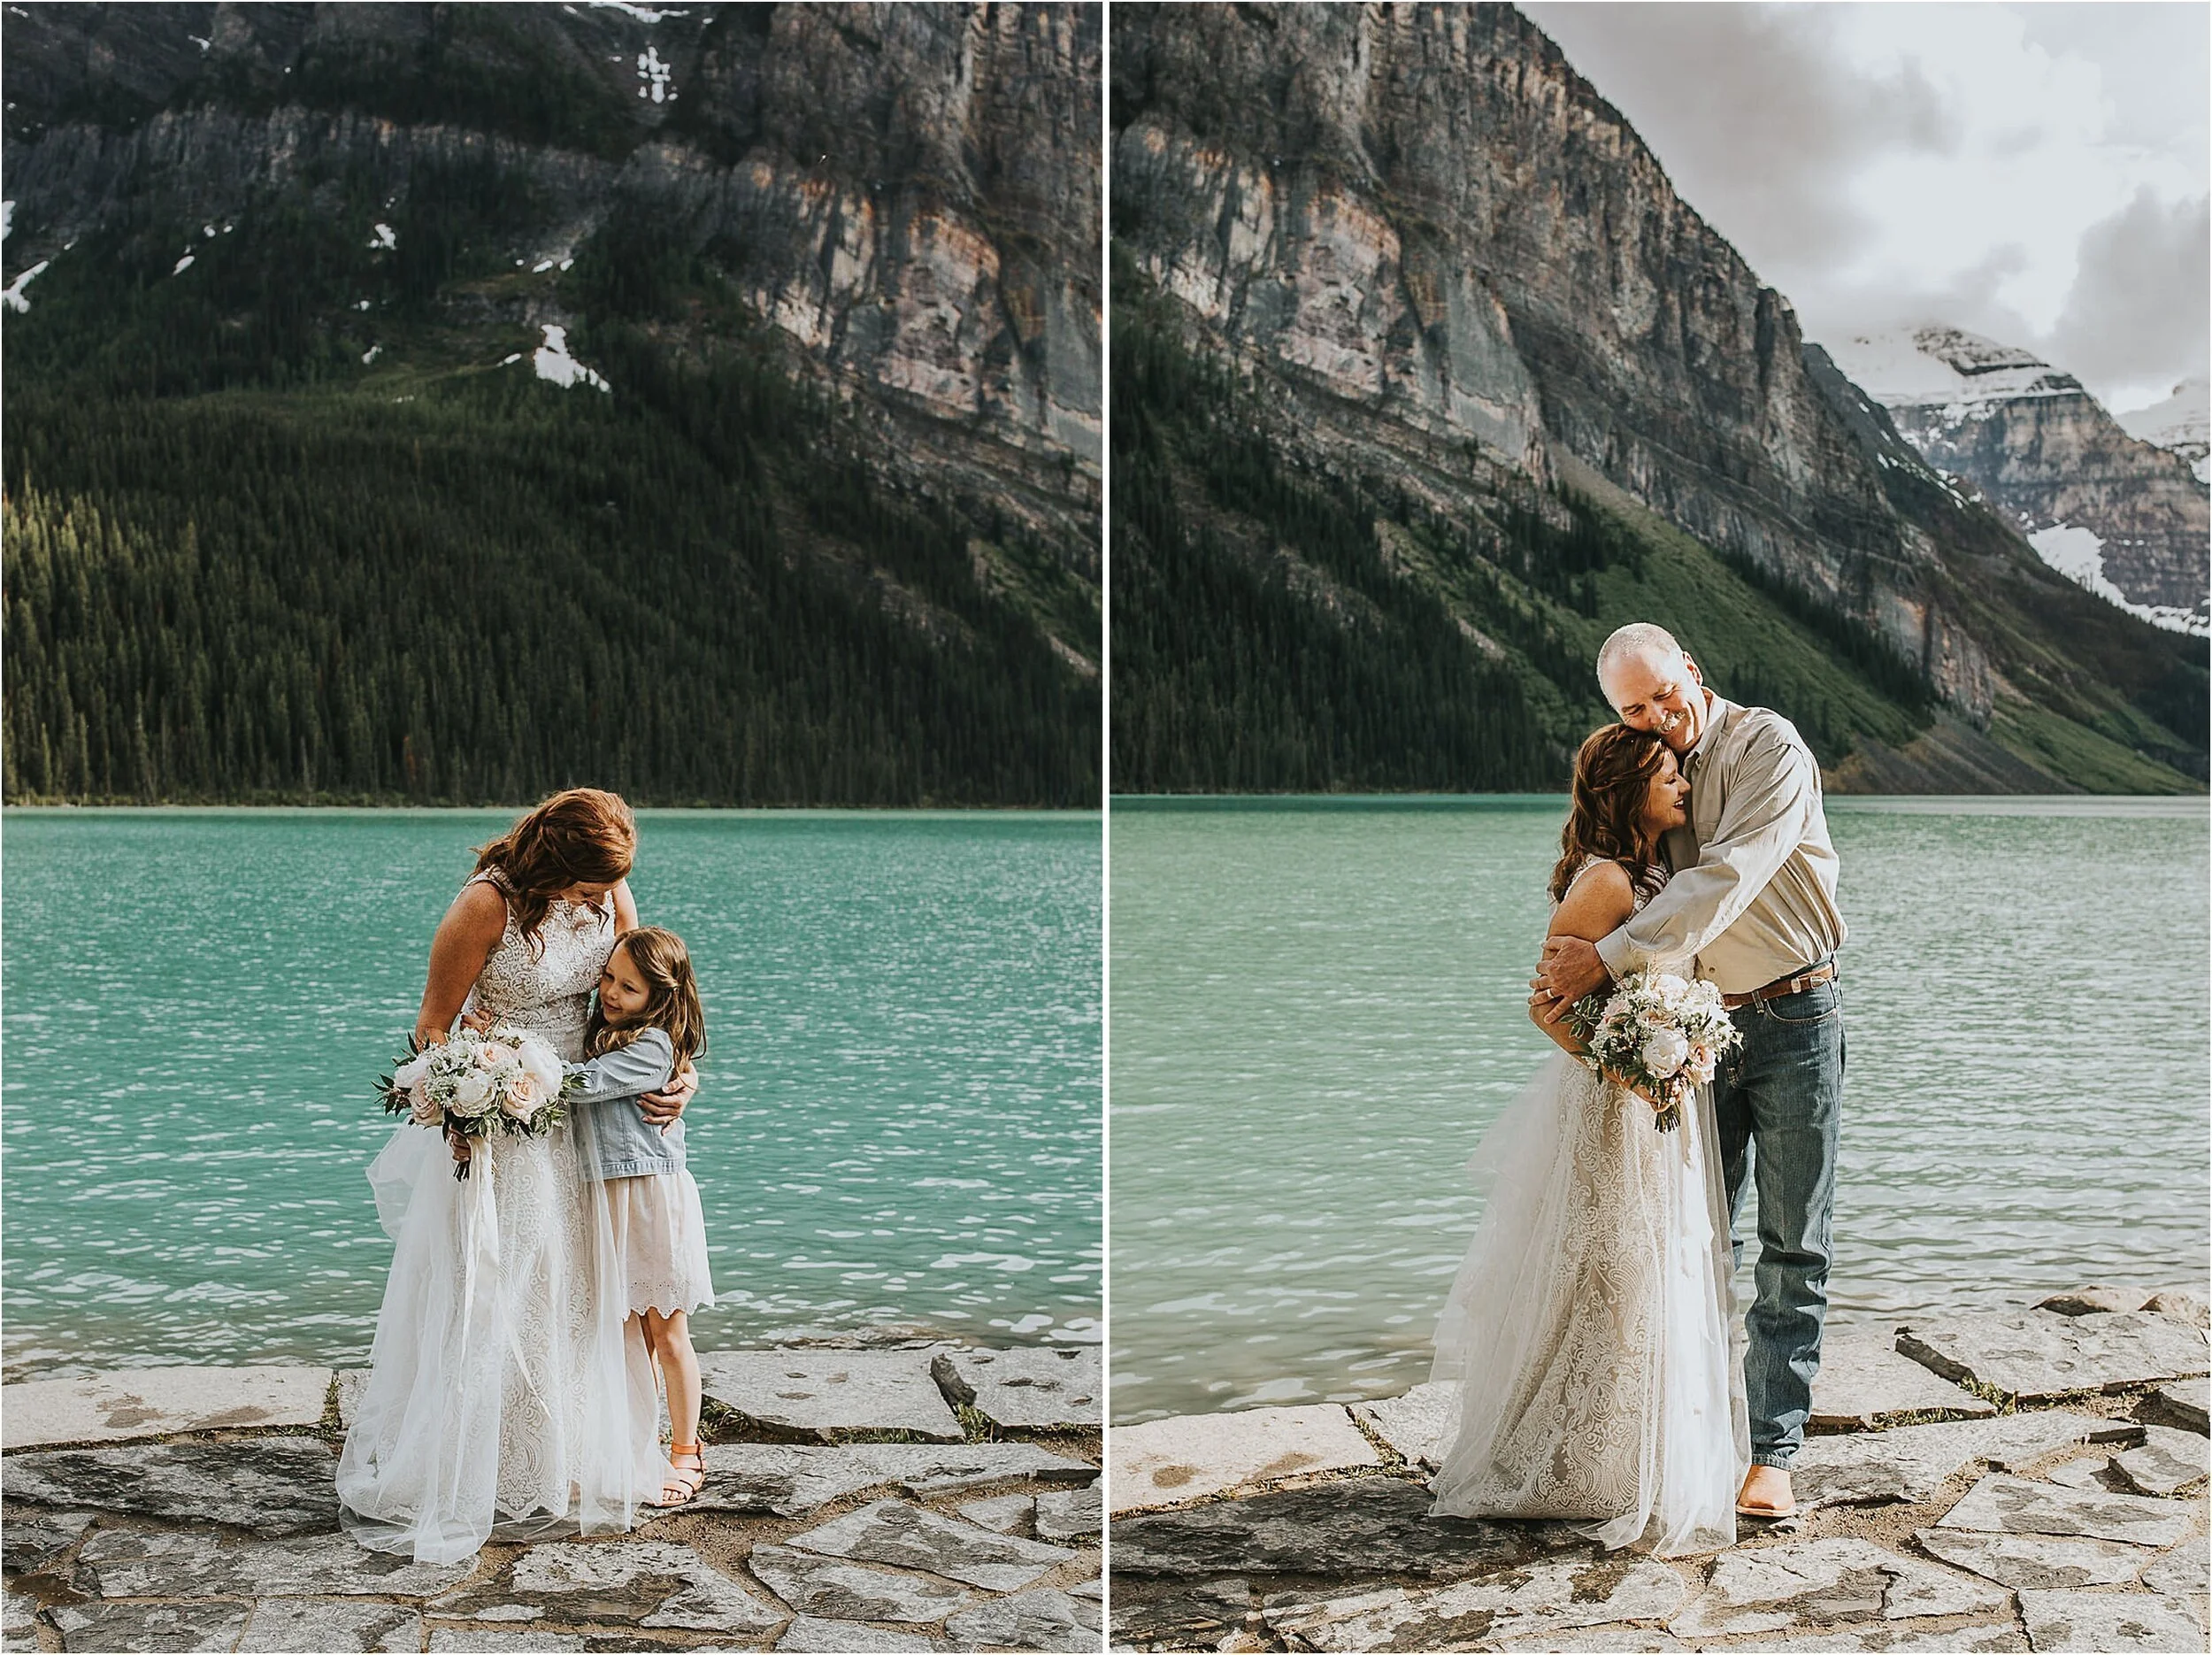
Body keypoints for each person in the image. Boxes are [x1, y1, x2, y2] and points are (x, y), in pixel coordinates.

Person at [1533, 622, 1847, 1522]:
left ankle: (1774, 1452)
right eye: (1634, 708)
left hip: (1794, 1011)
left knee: (1793, 1240)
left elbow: (1729, 877)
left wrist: (1608, 957)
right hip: (1697, 1025)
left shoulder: (1766, 747)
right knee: (1692, 1235)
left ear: (1693, 672)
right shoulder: (1650, 768)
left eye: (1664, 695)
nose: (1656, 717)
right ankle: (1688, 1431)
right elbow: (1625, 872)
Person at [336, 788, 696, 1561]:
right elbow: (434, 1024)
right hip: (513, 1125)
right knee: (512, 1286)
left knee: (585, 1290)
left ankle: (570, 1458)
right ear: (558, 863)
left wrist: (679, 1074)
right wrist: (479, 1093)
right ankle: (484, 1466)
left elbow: (650, 1002)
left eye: (609, 889)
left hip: (595, 1122)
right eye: (592, 886)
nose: (604, 901)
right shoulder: (483, 908)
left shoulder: (610, 891)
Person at [1430, 724, 1747, 1557]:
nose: (1682, 783)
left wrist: (1681, 1048)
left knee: (1651, 1277)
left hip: (1657, 1112)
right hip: (1609, 1113)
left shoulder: (1660, 875)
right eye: (1668, 773)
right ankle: (1565, 1460)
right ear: (1627, 788)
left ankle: (1626, 1454)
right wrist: (1630, 1069)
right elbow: (1546, 1004)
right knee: (1602, 1274)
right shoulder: (1604, 882)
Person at [551, 926, 717, 1506]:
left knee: (666, 1331)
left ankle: (687, 1450)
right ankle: (637, 1450)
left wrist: (513, 1065)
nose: (611, 993)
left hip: (649, 1199)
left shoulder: (650, 1047)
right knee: (625, 1334)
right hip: (610, 1198)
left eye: (629, 988)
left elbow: (584, 1087)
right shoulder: (609, 1033)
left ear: (663, 997)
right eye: (608, 979)